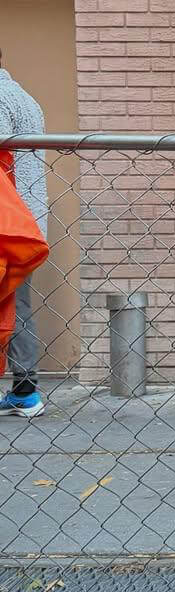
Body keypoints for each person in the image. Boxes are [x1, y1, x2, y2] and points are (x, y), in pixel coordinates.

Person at [0, 50, 48, 418]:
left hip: (8, 216)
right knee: (17, 302)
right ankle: (24, 388)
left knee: (12, 303)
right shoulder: (23, 95)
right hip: (25, 218)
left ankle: (25, 389)